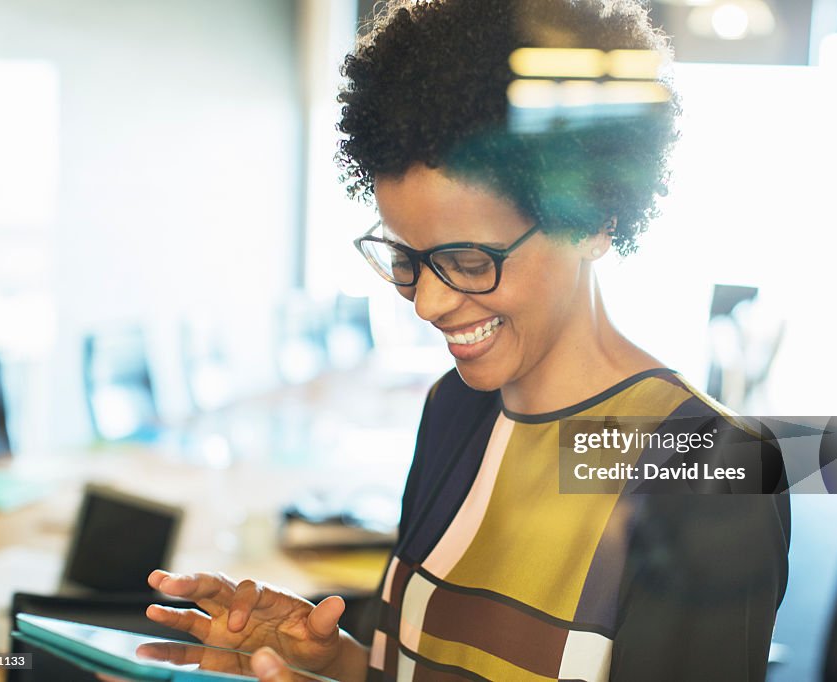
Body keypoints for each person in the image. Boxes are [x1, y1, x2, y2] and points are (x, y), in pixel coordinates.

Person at [148, 1, 790, 680]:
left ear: (593, 222)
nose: (427, 301)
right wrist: (333, 659)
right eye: (406, 257)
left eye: (469, 261)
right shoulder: (455, 409)